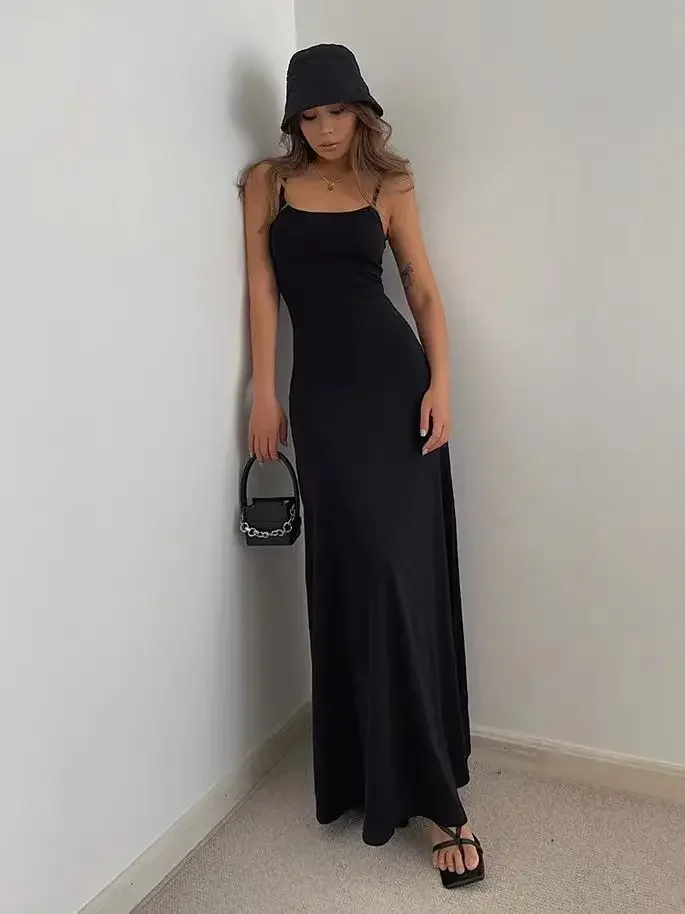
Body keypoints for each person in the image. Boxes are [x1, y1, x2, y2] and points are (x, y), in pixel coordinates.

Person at [240, 44, 485, 889]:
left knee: (396, 575)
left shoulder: (391, 185)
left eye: (337, 111)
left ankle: (438, 798)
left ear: (362, 111)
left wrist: (442, 383)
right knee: (350, 574)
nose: (325, 128)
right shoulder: (266, 184)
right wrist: (263, 393)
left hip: (396, 389)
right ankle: (362, 771)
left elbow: (421, 290)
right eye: (309, 115)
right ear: (294, 121)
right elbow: (260, 290)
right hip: (321, 403)